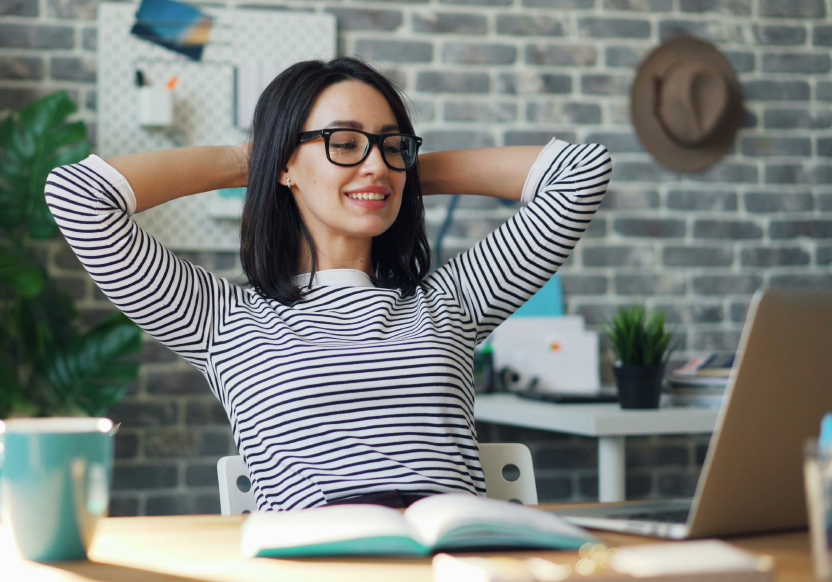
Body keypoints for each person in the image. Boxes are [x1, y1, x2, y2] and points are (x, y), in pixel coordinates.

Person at [46, 56, 612, 511]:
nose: (375, 165)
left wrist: (398, 173)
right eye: (343, 142)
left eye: (393, 145)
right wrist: (260, 158)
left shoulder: (451, 303)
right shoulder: (221, 320)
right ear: (285, 164)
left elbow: (581, 173)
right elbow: (78, 197)